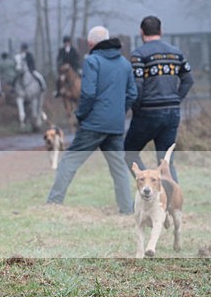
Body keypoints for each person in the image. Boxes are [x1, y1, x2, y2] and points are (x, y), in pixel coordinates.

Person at [47, 26, 137, 214]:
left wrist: (80, 115)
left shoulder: (92, 61)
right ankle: (127, 210)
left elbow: (87, 93)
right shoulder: (125, 63)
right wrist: (119, 112)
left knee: (69, 161)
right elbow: (132, 94)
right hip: (115, 125)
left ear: (90, 44)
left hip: (93, 125)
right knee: (119, 169)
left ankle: (53, 204)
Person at [124, 16, 193, 182]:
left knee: (128, 152)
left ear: (141, 32)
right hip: (172, 114)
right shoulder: (176, 53)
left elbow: (138, 86)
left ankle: (147, 185)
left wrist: (136, 108)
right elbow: (188, 80)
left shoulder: (138, 55)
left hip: (147, 113)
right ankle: (173, 205)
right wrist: (176, 99)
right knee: (166, 163)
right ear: (161, 31)